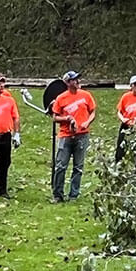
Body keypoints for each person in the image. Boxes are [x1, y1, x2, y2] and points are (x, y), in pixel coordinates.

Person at [51, 70, 96, 201]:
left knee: (78, 166)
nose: (77, 82)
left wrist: (87, 122)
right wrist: (67, 119)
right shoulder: (61, 98)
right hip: (65, 135)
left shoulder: (86, 95)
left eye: (78, 79)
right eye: (74, 80)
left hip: (82, 135)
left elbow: (92, 112)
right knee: (61, 165)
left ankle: (73, 194)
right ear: (68, 82)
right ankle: (58, 194)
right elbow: (55, 117)